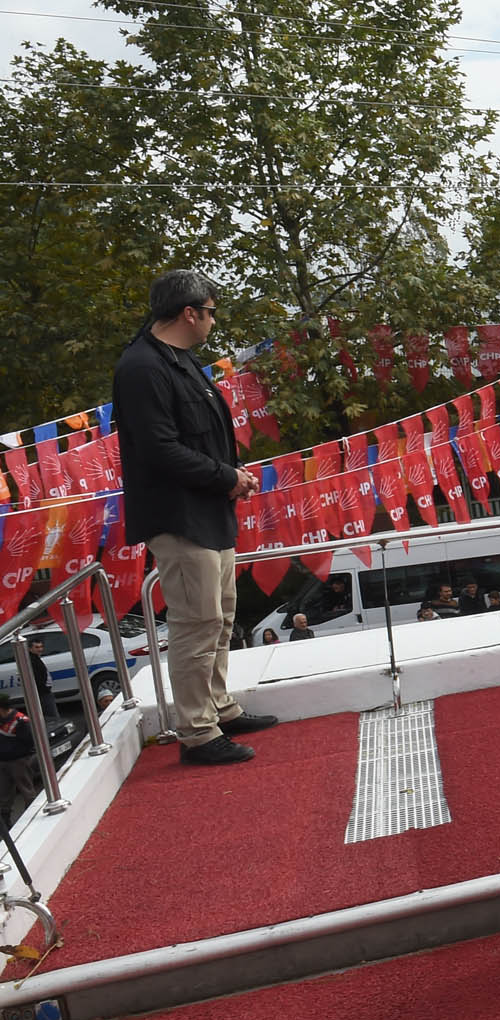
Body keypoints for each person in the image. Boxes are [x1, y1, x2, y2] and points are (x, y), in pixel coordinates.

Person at [110, 269, 276, 765]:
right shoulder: (142, 367)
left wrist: (230, 475)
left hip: (209, 509)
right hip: (179, 515)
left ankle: (219, 707)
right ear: (189, 312)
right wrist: (225, 477)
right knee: (196, 623)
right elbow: (159, 449)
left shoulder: (179, 361)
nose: (212, 322)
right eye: (210, 312)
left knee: (220, 617)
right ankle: (198, 733)